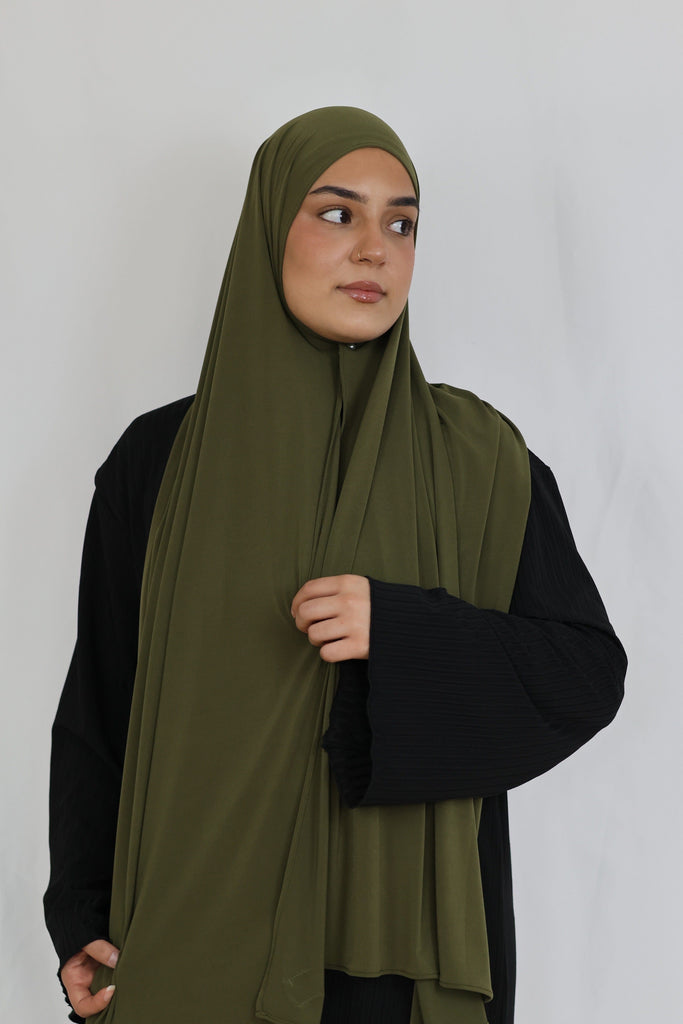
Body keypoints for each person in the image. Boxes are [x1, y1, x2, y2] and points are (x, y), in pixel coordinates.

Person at [44, 107, 626, 1024]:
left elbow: (585, 672)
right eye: (335, 213)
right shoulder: (158, 463)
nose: (374, 249)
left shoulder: (482, 462)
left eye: (401, 223)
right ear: (268, 229)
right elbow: (101, 707)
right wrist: (81, 915)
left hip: (398, 968)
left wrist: (404, 633)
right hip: (190, 936)